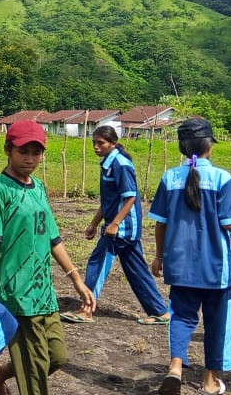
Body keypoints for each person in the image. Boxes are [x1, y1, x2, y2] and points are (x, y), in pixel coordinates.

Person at [0, 119, 95, 395]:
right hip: (16, 289)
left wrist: (75, 277)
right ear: (8, 151)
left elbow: (53, 237)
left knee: (57, 356)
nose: (30, 158)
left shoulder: (39, 188)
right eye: (23, 151)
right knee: (33, 360)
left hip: (43, 288)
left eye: (36, 152)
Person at [148, 116, 231, 395]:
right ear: (209, 146)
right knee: (216, 322)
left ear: (183, 147)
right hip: (215, 267)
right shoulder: (223, 178)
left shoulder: (169, 177)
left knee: (182, 316)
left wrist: (159, 256)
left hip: (179, 264)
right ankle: (209, 381)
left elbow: (161, 223)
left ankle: (175, 366)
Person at [62, 126, 170, 326]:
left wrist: (115, 223)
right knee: (136, 269)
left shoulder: (120, 164)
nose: (96, 147)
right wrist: (94, 223)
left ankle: (86, 309)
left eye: (100, 143)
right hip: (121, 227)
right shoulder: (108, 163)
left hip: (122, 228)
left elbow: (130, 197)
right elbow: (109, 200)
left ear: (112, 143)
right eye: (94, 142)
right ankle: (160, 311)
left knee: (98, 262)